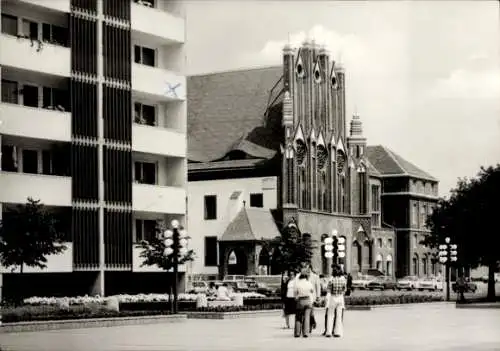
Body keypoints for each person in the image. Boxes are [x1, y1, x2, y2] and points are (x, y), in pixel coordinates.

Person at [325, 265, 347, 338]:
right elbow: (345, 289)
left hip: (333, 297)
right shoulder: (343, 278)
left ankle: (329, 332)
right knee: (339, 316)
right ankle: (337, 332)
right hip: (340, 297)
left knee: (330, 315)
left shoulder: (331, 279)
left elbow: (328, 289)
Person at [293, 273, 314, 338]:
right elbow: (312, 291)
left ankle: (297, 333)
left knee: (298, 317)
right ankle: (306, 333)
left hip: (300, 300)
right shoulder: (309, 283)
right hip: (308, 300)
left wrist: (296, 298)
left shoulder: (298, 284)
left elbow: (295, 293)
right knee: (307, 317)